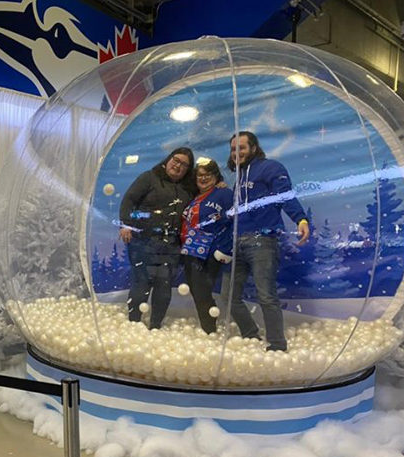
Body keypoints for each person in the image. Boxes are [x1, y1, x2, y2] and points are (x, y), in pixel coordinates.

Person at [225, 131, 310, 351]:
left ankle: (277, 345)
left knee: (266, 296)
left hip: (262, 241)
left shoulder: (271, 168)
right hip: (237, 243)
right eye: (233, 149)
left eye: (241, 148)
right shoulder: (240, 177)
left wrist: (300, 218)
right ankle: (251, 335)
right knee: (229, 297)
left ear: (253, 148)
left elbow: (285, 195)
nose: (236, 153)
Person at [119, 147, 197, 328]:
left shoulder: (188, 188)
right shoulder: (149, 177)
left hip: (171, 245)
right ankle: (134, 324)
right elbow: (129, 200)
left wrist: (220, 184)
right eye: (176, 160)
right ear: (168, 159)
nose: (178, 166)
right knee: (141, 283)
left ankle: (155, 326)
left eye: (184, 165)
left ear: (187, 170)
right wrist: (126, 224)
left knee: (164, 286)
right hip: (144, 241)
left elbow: (206, 188)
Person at [181, 160, 233, 333]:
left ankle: (209, 329)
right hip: (191, 250)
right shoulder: (194, 197)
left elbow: (234, 220)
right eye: (200, 175)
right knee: (197, 290)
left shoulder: (224, 194)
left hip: (211, 251)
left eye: (207, 175)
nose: (203, 179)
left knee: (202, 290)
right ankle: (208, 327)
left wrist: (225, 248)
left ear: (216, 176)